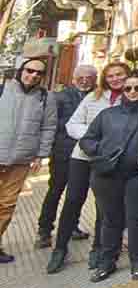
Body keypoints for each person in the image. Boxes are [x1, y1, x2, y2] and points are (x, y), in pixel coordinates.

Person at [47, 62, 129, 273]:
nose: (115, 79)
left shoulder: (130, 98)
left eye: (119, 74)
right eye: (110, 75)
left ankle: (98, 248)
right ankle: (60, 248)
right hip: (83, 156)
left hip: (110, 161)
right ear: (104, 78)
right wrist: (97, 138)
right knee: (73, 200)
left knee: (104, 206)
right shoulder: (93, 97)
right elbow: (72, 125)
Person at [78, 71, 138, 283]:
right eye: (128, 88)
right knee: (110, 220)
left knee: (137, 219)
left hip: (137, 175)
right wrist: (102, 150)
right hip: (107, 175)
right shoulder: (107, 115)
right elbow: (87, 140)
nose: (132, 92)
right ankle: (107, 262)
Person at [0, 58, 56, 264]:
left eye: (39, 73)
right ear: (20, 70)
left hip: (21, 160)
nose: (33, 75)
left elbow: (48, 127)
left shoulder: (45, 97)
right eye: (29, 70)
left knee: (6, 204)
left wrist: (41, 155)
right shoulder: (3, 89)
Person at [36, 64, 96, 250]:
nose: (85, 80)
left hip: (86, 154)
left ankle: (72, 226)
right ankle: (44, 231)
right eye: (81, 77)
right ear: (74, 78)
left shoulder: (98, 97)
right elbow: (51, 124)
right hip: (63, 152)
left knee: (77, 194)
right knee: (55, 191)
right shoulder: (59, 97)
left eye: (89, 77)